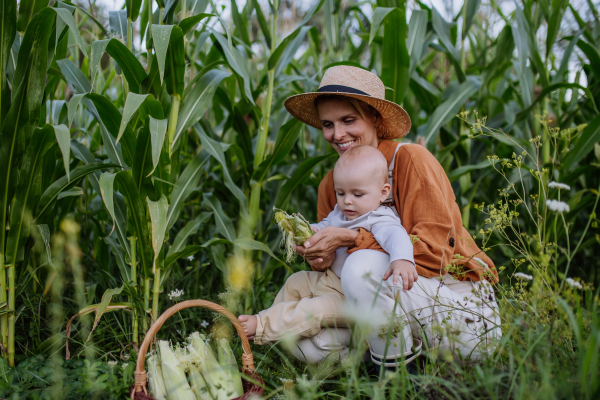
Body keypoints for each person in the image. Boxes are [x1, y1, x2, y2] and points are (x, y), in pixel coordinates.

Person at [264, 65, 501, 366]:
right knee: (306, 345)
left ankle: (396, 381)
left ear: (375, 119)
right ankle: (399, 356)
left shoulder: (411, 160)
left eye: (348, 120)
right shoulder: (332, 185)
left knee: (361, 267)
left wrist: (352, 239)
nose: (337, 134)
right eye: (327, 124)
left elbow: (436, 254)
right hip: (386, 307)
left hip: (460, 313)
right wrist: (320, 255)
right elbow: (335, 269)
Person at [238, 146, 417, 359]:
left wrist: (402, 259)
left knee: (315, 310)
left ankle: (262, 325)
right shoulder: (340, 213)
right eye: (341, 193)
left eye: (357, 194)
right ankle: (280, 336)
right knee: (296, 282)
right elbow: (323, 226)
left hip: (352, 297)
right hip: (330, 281)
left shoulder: (378, 218)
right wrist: (307, 231)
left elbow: (397, 236)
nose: (347, 201)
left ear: (383, 193)